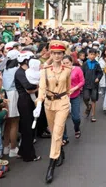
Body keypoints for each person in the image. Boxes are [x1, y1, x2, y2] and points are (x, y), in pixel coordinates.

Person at [35, 40, 72, 183]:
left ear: (63, 54)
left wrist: (67, 101)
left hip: (62, 103)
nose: (57, 56)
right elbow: (42, 88)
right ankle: (60, 149)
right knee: (54, 133)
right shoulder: (45, 70)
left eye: (59, 53)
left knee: (57, 133)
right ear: (51, 54)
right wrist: (39, 103)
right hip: (48, 104)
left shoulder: (68, 70)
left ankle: (50, 167)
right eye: (54, 53)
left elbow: (68, 89)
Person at [15, 51, 40, 162]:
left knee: (30, 128)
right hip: (25, 101)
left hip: (30, 101)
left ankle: (22, 151)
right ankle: (29, 155)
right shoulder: (20, 72)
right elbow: (29, 87)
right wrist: (38, 85)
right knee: (27, 129)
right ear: (26, 60)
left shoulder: (27, 71)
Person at [2, 50, 21, 158]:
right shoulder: (16, 69)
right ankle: (13, 148)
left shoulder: (5, 68)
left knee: (8, 123)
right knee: (14, 122)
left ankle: (6, 147)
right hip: (13, 94)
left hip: (6, 94)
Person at [62, 55, 84, 143]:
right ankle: (64, 137)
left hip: (75, 95)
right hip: (63, 97)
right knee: (62, 118)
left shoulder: (77, 69)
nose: (65, 65)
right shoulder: (60, 70)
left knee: (76, 117)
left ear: (71, 62)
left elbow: (82, 81)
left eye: (67, 63)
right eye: (63, 63)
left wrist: (74, 89)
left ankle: (77, 128)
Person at [81, 49, 103, 122]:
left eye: (94, 54)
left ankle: (93, 115)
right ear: (88, 55)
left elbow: (100, 73)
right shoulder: (85, 64)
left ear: (96, 55)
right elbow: (81, 74)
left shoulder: (97, 64)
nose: (92, 56)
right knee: (85, 98)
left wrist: (98, 78)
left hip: (94, 85)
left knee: (93, 99)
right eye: (91, 54)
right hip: (86, 84)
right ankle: (88, 106)